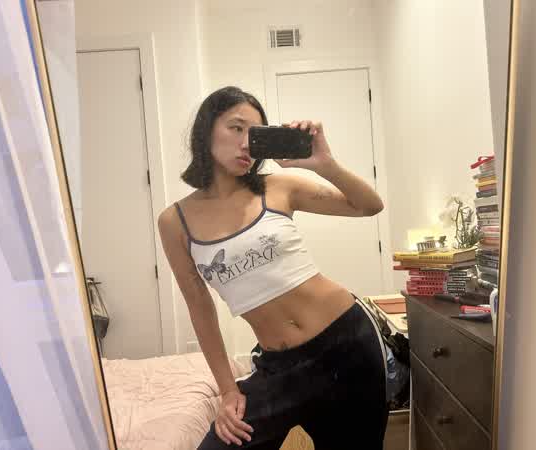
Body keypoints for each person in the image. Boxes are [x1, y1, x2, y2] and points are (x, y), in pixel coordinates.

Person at [158, 86, 388, 449]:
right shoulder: (175, 221)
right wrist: (227, 391)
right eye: (236, 128)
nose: (246, 143)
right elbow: (199, 306)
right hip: (278, 366)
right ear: (206, 130)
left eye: (255, 134)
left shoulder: (278, 187)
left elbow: (369, 206)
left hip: (347, 344)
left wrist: (325, 164)